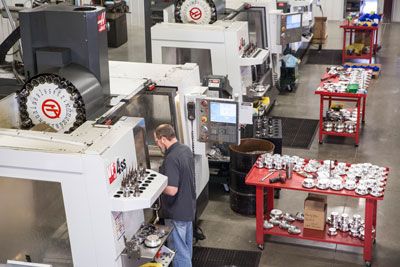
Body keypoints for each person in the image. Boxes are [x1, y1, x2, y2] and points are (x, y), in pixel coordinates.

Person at [154, 124, 196, 267]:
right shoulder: (185, 150)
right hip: (188, 208)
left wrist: (156, 186)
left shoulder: (171, 158)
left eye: (157, 142)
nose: (158, 145)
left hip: (176, 212)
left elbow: (172, 190)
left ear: (163, 139)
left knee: (178, 252)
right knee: (186, 248)